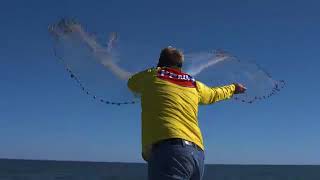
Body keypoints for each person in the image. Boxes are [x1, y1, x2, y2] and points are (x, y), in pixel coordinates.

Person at [127, 47, 246, 180]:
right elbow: (214, 94)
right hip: (197, 156)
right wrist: (234, 88)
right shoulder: (194, 84)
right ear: (180, 66)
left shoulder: (151, 75)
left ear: (160, 62)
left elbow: (131, 83)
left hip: (169, 153)